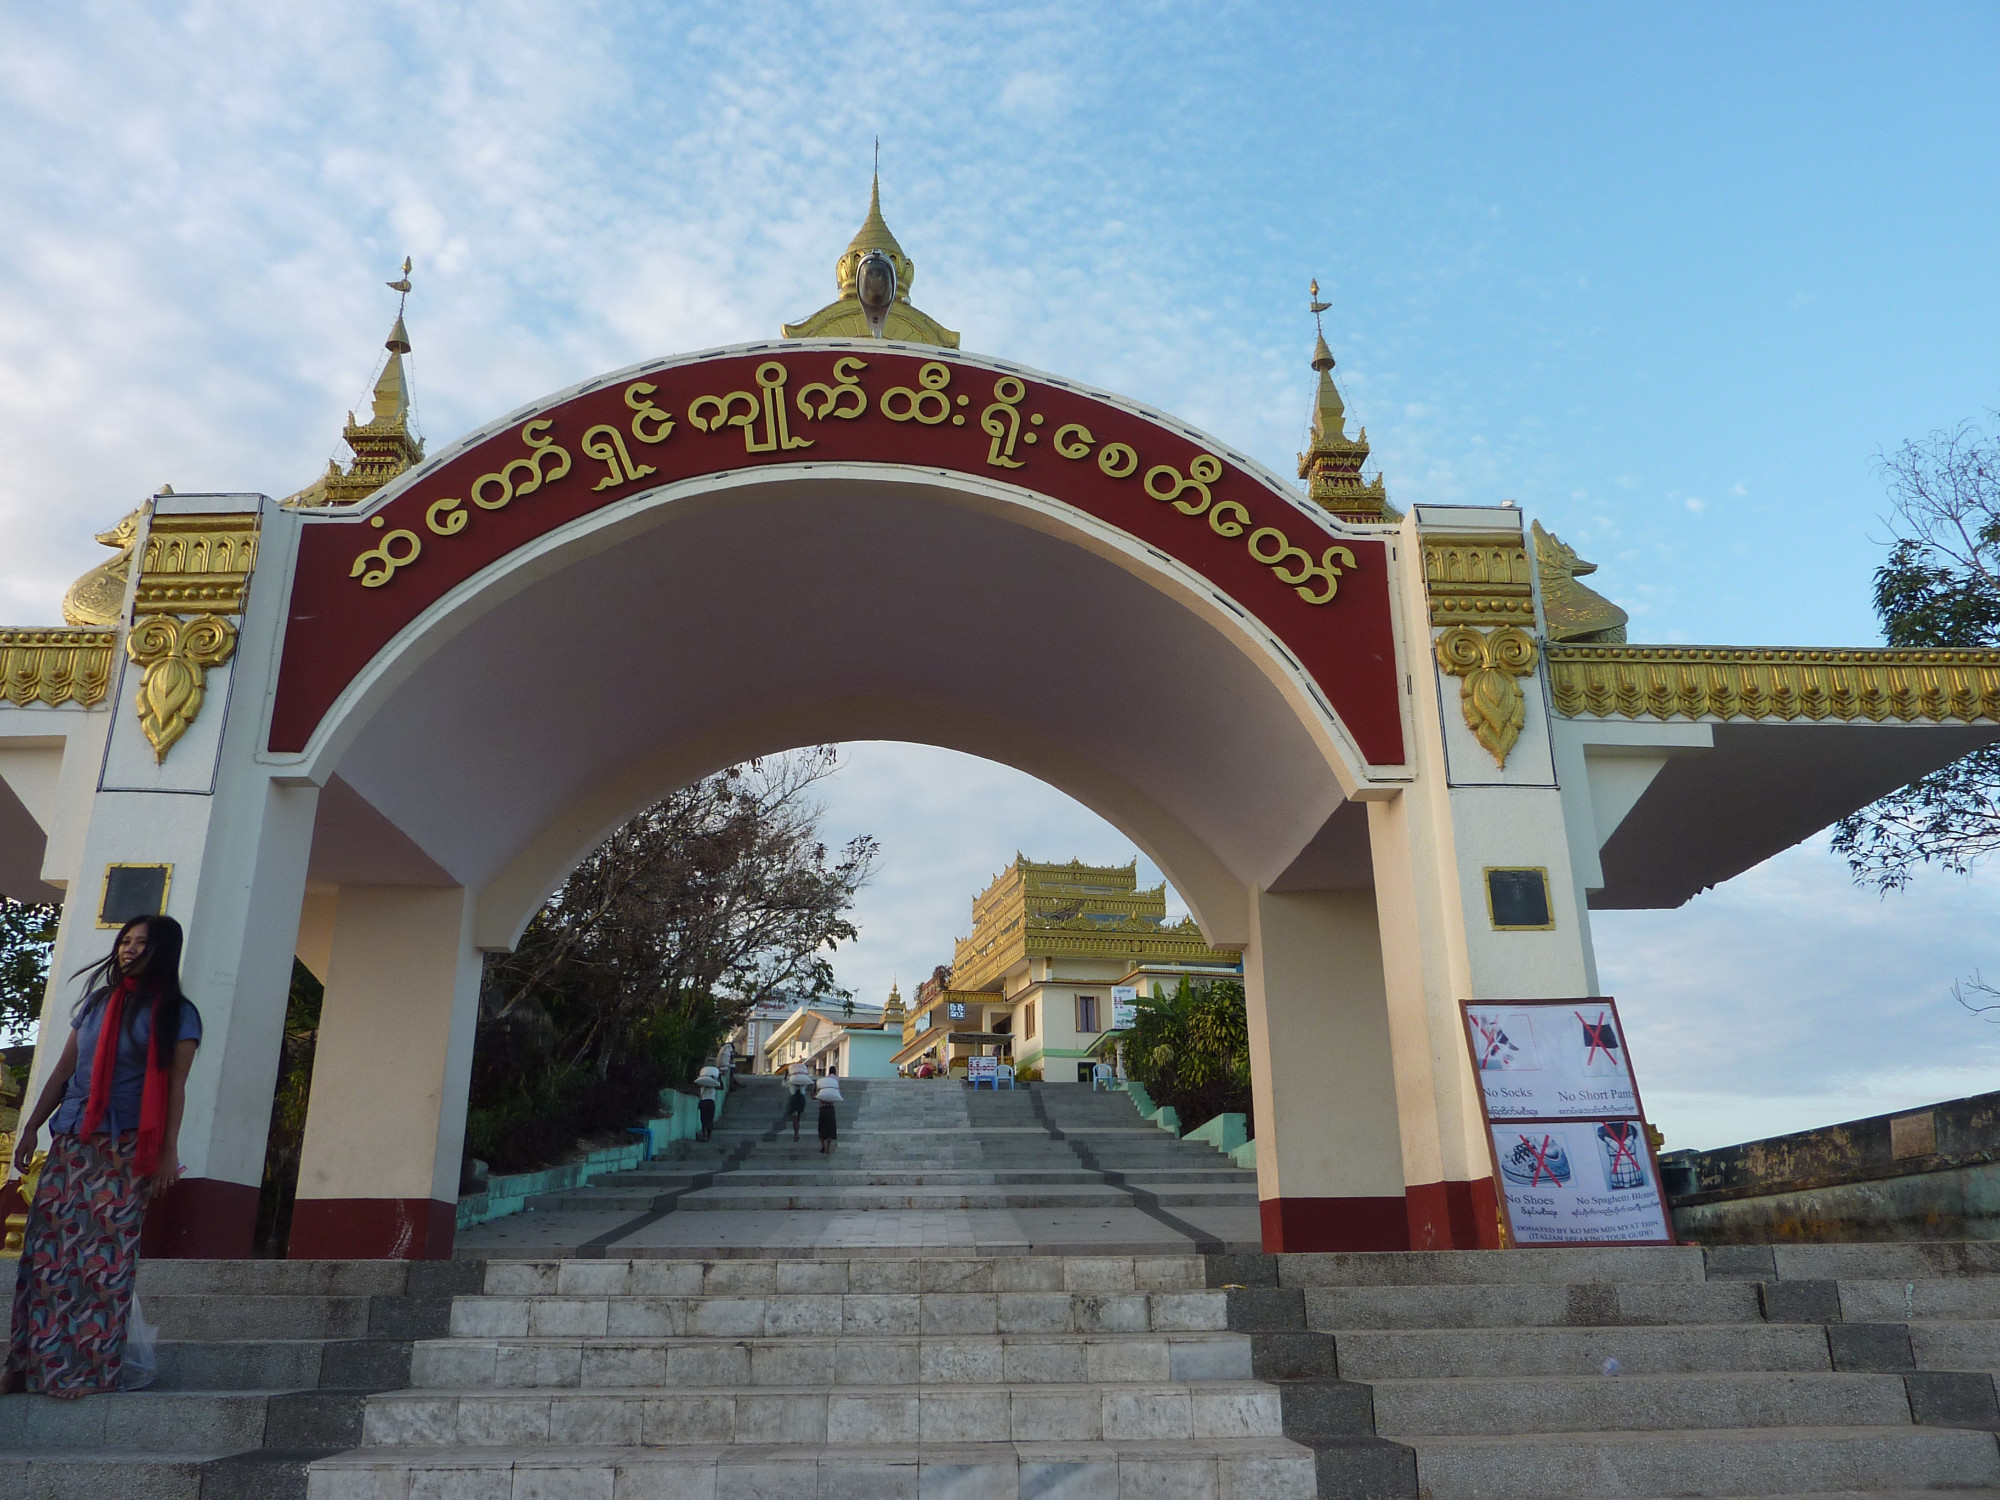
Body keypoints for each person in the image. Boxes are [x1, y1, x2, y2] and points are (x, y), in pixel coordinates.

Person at [4, 915, 202, 1398]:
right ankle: (24, 1365)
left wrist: (167, 1151)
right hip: (74, 1139)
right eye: (125, 941)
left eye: (142, 943)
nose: (130, 950)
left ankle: (87, 1372)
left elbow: (176, 1085)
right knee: (46, 1256)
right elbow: (66, 1069)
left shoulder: (179, 1013)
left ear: (163, 952)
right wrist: (31, 1127)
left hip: (130, 1147)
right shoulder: (95, 1004)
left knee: (103, 1261)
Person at [814, 1071, 843, 1155]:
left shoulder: (822, 1088)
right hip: (831, 1109)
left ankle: (823, 1145)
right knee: (830, 1129)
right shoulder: (833, 1086)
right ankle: (828, 1147)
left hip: (823, 1109)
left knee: (822, 1128)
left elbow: (816, 1096)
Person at [695, 1064, 721, 1141]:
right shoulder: (714, 1085)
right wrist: (718, 1078)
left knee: (704, 1120)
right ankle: (708, 1135)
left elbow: (696, 1083)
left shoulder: (702, 1084)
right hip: (711, 1102)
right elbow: (721, 1087)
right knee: (710, 1120)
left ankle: (705, 1135)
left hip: (703, 1102)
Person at [785, 1064, 811, 1141]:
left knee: (795, 1118)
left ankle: (796, 1134)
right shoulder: (803, 1083)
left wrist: (786, 1075)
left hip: (794, 1100)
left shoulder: (791, 1081)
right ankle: (797, 1133)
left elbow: (784, 1084)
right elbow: (807, 1085)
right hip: (802, 1100)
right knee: (798, 1118)